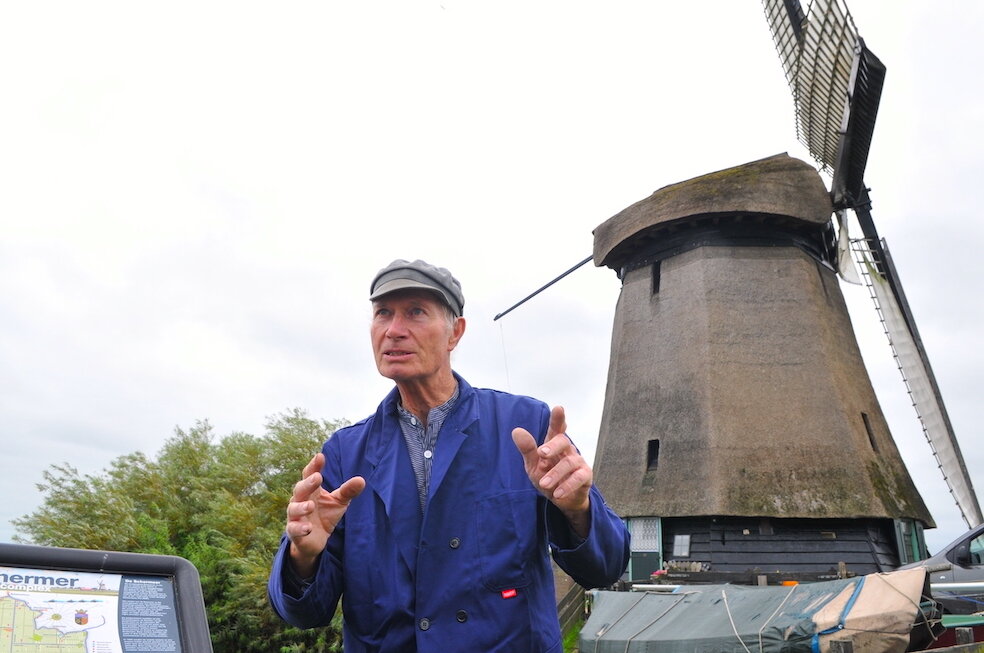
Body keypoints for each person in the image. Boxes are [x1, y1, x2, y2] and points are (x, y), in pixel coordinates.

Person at [268, 259, 629, 652]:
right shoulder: (344, 454)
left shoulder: (527, 427)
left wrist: (577, 510)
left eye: (416, 312)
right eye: (383, 313)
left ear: (455, 331)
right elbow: (307, 613)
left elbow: (605, 567)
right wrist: (303, 557)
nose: (393, 330)